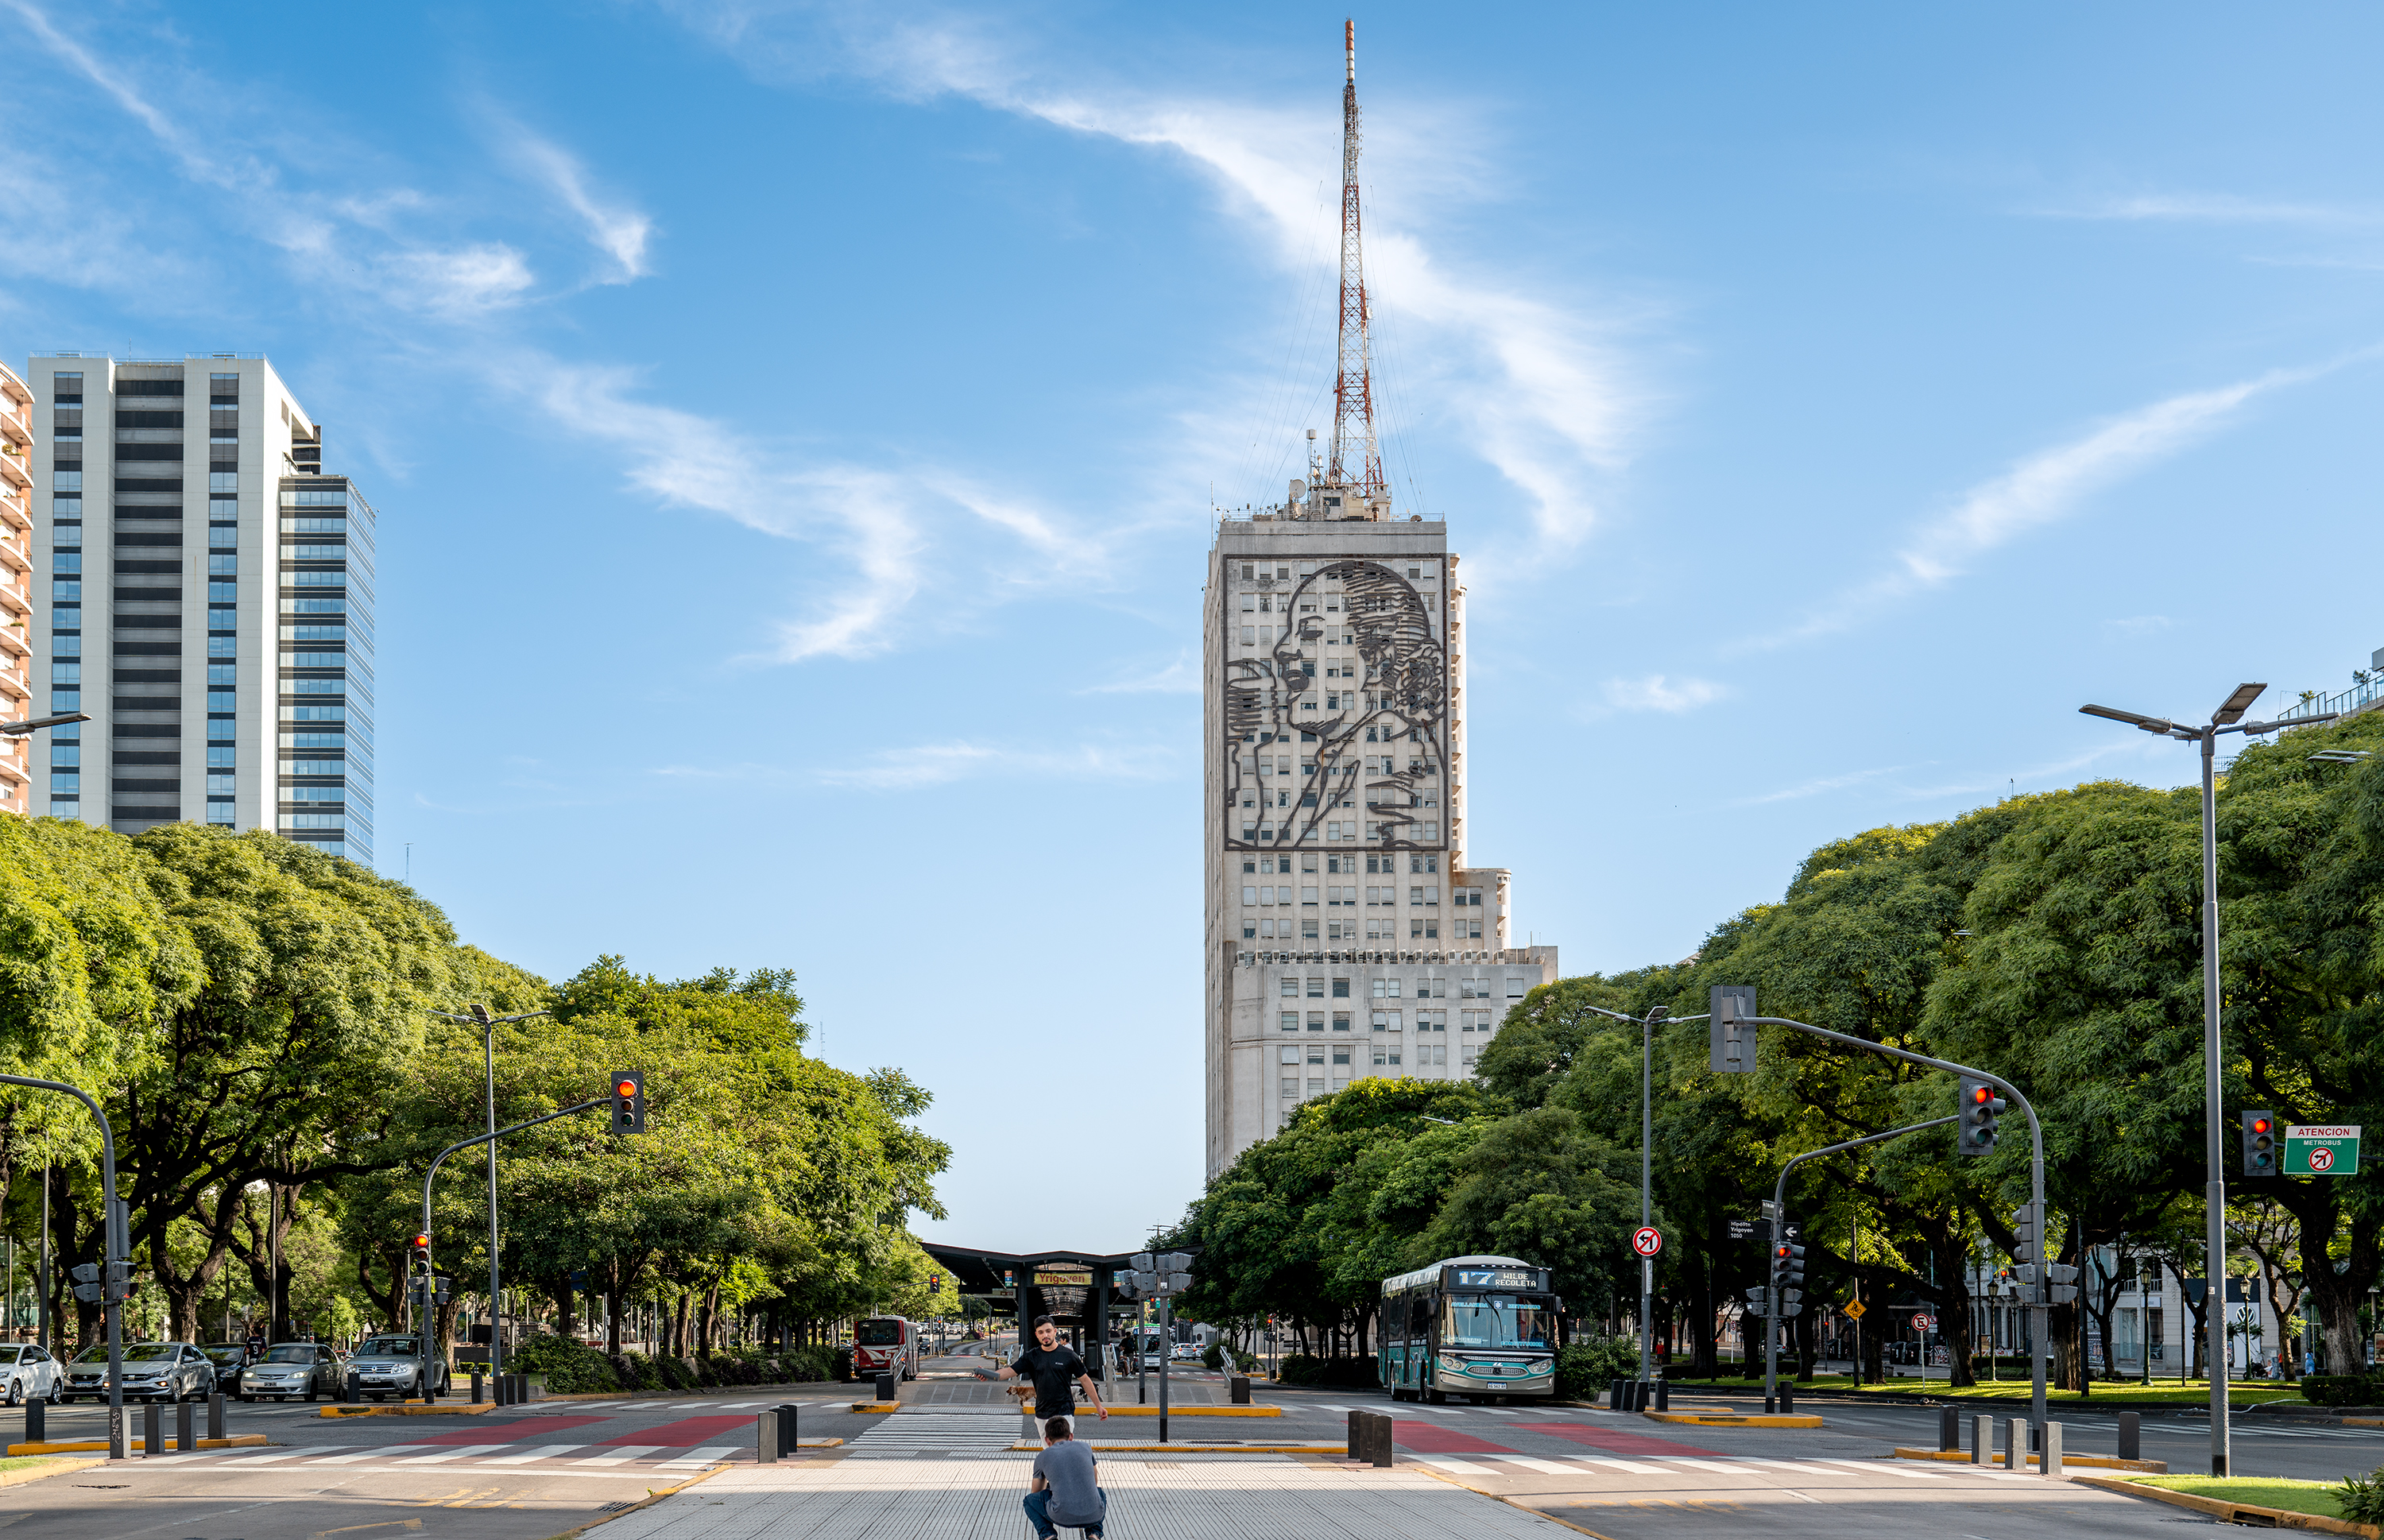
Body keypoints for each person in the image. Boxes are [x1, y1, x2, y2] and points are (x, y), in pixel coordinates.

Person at [999, 1315, 1108, 1437]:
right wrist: (986, 1374)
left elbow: (1085, 1380)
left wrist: (1098, 1406)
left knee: (1062, 1451)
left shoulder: (1069, 1356)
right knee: (1049, 1452)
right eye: (1041, 1332)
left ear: (1055, 1331)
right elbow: (1010, 1371)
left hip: (1064, 1413)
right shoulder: (1032, 1357)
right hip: (1042, 1414)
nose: (1045, 1335)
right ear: (1036, 1335)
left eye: (1048, 1331)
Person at [1025, 1414, 1105, 1540]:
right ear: (1071, 1436)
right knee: (1100, 1493)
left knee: (1029, 1501)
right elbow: (1094, 1482)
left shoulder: (1043, 1456)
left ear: (1047, 1440)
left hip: (1061, 1515)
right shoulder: (1086, 1448)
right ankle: (1094, 1533)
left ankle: (1048, 1536)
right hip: (1094, 1514)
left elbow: (1036, 1492)